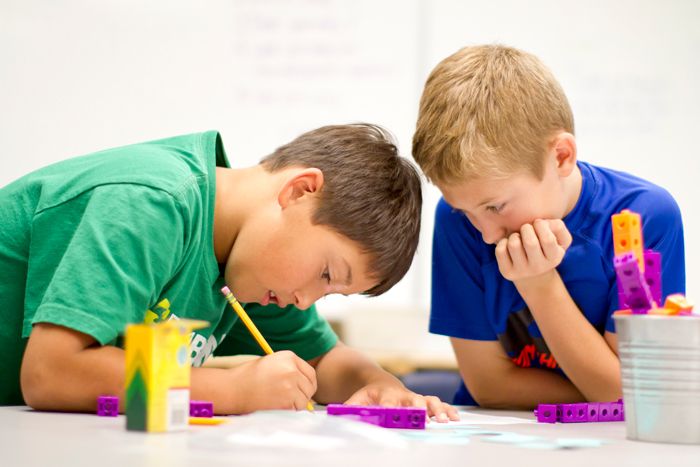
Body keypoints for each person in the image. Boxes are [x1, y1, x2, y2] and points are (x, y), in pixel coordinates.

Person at [0, 123, 458, 420]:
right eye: (325, 273)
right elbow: (50, 374)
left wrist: (381, 387)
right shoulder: (151, 203)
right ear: (300, 191)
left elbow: (327, 360)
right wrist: (233, 389)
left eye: (331, 293)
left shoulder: (253, 272)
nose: (305, 300)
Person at [412, 45, 685, 408]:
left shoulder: (642, 219)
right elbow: (488, 387)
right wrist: (610, 390)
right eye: (467, 212)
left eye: (496, 206)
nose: (487, 234)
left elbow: (632, 396)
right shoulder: (455, 219)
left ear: (561, 157)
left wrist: (539, 286)